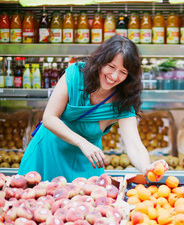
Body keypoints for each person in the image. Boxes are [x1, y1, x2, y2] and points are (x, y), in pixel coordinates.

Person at [18, 35, 168, 182]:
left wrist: (146, 167)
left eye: (123, 72)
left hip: (86, 163)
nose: (114, 76)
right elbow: (49, 118)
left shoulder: (124, 99)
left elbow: (134, 143)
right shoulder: (76, 74)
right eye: (111, 66)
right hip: (47, 153)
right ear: (101, 61)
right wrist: (82, 143)